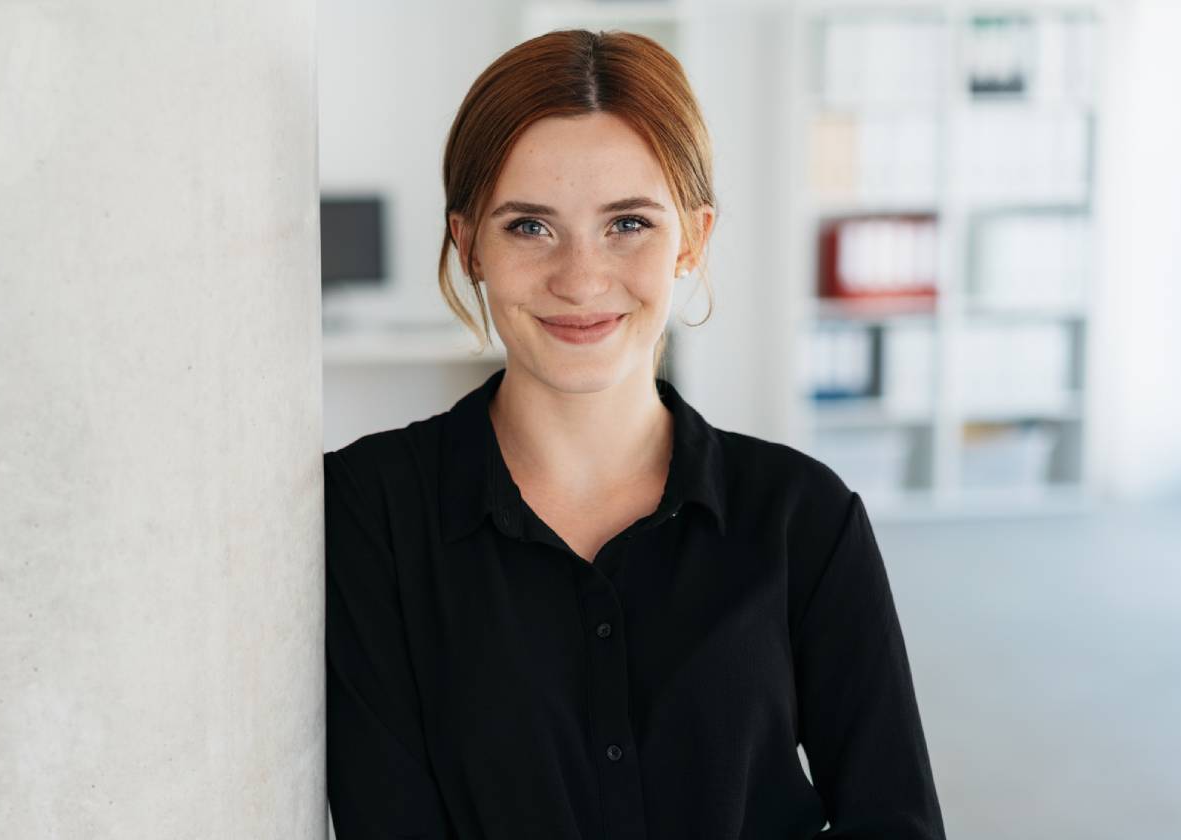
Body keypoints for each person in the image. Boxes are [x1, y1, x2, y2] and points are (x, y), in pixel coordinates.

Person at [324, 29, 946, 840]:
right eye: (529, 227)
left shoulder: (804, 519)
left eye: (627, 224)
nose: (581, 278)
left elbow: (894, 820)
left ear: (692, 238)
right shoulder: (367, 515)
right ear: (467, 241)